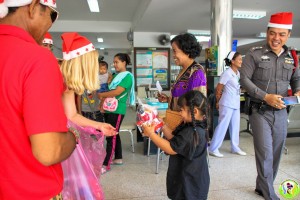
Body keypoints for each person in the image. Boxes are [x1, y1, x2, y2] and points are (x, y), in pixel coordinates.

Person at [0, 1, 76, 199]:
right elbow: (48, 151)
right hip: (29, 190)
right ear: (33, 6)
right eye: (52, 15)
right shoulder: (36, 58)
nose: (51, 24)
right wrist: (72, 138)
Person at [240, 12, 300, 200]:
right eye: (273, 33)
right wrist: (265, 97)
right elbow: (244, 79)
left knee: (276, 151)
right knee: (265, 151)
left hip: (281, 111)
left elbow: (296, 79)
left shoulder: (292, 57)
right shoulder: (254, 54)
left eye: (282, 34)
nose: (276, 38)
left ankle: (261, 185)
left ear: (288, 35)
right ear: (267, 32)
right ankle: (269, 192)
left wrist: (298, 91)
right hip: (260, 111)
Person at [142, 90, 210, 200]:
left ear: (195, 111)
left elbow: (171, 148)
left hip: (190, 185)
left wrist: (151, 134)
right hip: (190, 178)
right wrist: (162, 125)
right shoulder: (192, 126)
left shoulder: (192, 132)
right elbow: (176, 141)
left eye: (182, 110)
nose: (180, 113)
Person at [60, 32, 115, 135]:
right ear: (82, 62)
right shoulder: (53, 77)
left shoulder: (69, 84)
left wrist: (99, 125)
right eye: (92, 62)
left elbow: (72, 115)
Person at [97, 53, 135, 173]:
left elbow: (116, 92)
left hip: (117, 109)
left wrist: (101, 95)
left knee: (110, 135)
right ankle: (118, 158)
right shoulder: (114, 76)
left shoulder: (127, 77)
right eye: (113, 62)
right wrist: (101, 103)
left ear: (124, 62)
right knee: (115, 133)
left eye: (117, 62)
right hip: (109, 107)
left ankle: (105, 164)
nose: (114, 64)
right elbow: (108, 89)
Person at [209, 51, 246, 157]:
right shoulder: (227, 73)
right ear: (232, 61)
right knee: (222, 126)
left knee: (235, 126)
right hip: (226, 103)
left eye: (241, 59)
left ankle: (235, 147)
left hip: (235, 103)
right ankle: (213, 148)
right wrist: (217, 102)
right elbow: (219, 89)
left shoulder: (237, 73)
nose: (241, 61)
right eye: (239, 59)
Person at [158, 33, 206, 112]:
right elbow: (182, 98)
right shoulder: (184, 70)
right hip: (176, 118)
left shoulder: (197, 72)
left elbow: (197, 105)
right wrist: (168, 99)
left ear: (186, 51)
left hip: (185, 122)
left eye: (175, 51)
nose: (173, 55)